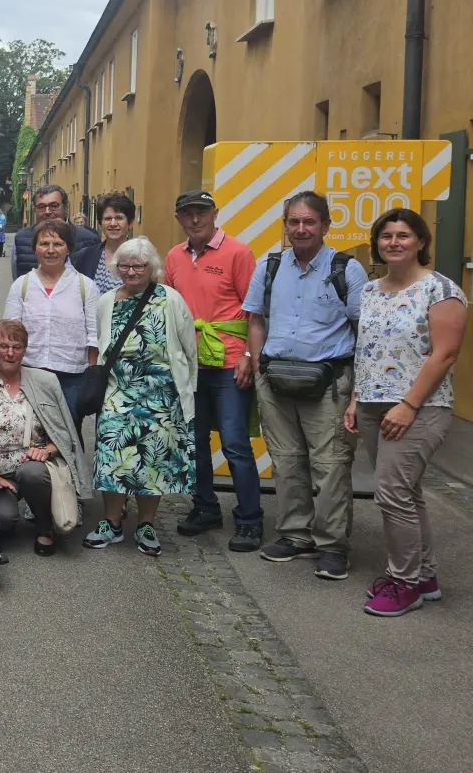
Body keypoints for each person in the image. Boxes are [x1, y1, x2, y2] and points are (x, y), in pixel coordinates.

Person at [346, 209, 466, 618]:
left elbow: (445, 353)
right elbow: (367, 351)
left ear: (420, 242)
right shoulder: (371, 291)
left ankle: (405, 584)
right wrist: (355, 399)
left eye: (403, 235)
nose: (393, 242)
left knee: (391, 493)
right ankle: (425, 575)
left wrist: (409, 404)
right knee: (408, 494)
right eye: (385, 236)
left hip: (420, 407)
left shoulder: (441, 290)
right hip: (373, 405)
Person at [242, 192, 367, 581]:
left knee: (330, 466)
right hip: (276, 380)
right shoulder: (270, 264)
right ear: (285, 225)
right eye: (293, 222)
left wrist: (357, 391)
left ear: (326, 225)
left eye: (309, 222)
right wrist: (259, 365)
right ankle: (295, 535)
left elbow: (363, 330)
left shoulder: (347, 269)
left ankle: (332, 546)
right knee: (286, 460)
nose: (300, 229)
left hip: (328, 383)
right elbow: (256, 318)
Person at [164, 189, 263, 552]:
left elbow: (254, 311)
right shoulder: (174, 256)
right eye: (187, 213)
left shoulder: (238, 253)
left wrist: (250, 357)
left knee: (236, 444)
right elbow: (170, 306)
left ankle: (250, 519)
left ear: (214, 213)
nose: (195, 219)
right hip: (190, 364)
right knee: (195, 445)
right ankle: (205, 507)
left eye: (201, 212)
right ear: (179, 219)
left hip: (228, 361)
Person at [86, 237, 198, 557]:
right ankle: (111, 522)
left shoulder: (170, 299)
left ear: (152, 268)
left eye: (138, 265)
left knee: (154, 460)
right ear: (115, 267)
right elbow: (103, 344)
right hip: (117, 392)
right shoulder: (107, 301)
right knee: (111, 457)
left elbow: (188, 350)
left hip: (161, 394)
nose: (131, 271)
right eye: (124, 265)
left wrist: (187, 391)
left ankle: (147, 523)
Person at [0, 320, 89, 556]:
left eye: (17, 347)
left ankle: (45, 528)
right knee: (3, 521)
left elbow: (65, 432)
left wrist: (47, 450)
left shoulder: (46, 382)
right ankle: (6, 509)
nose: (10, 353)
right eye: (4, 346)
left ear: (26, 350)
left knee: (33, 473)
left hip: (32, 465)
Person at [2, 219, 100, 419]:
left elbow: (94, 336)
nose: (51, 250)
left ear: (68, 249)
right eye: (44, 244)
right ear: (35, 248)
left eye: (58, 244)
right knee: (30, 432)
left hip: (72, 377)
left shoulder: (85, 287)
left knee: (69, 434)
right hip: (30, 373)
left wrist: (91, 377)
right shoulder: (22, 285)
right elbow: (10, 333)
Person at [11, 184, 99, 278]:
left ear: (65, 207)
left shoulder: (89, 239)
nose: (47, 211)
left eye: (54, 206)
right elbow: (17, 278)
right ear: (35, 210)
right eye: (41, 206)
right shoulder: (21, 239)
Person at [72, 191, 135, 294]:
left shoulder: (140, 258)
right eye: (108, 218)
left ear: (130, 223)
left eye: (119, 218)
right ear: (100, 224)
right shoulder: (85, 256)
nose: (113, 224)